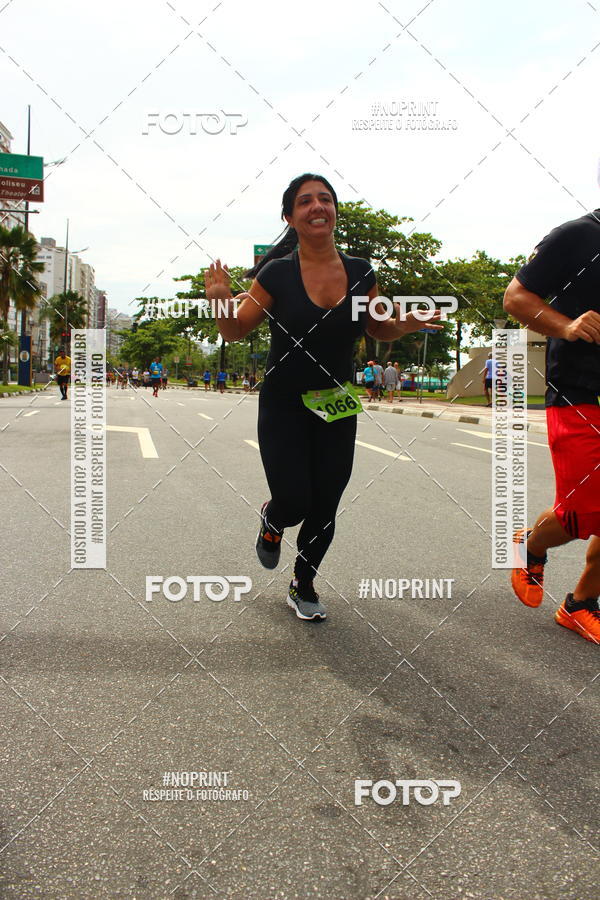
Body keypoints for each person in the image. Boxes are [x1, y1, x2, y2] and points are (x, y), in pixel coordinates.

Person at [206, 172, 443, 621]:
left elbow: (377, 327)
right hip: (283, 403)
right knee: (294, 498)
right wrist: (220, 300)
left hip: (335, 401)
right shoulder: (275, 274)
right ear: (290, 217)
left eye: (325, 199)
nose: (317, 206)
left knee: (327, 501)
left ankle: (304, 582)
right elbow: (235, 329)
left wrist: (405, 323)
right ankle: (274, 520)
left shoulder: (361, 273)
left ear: (334, 211)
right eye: (305, 202)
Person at [504, 204, 600, 644]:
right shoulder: (579, 235)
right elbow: (516, 298)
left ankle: (581, 605)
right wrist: (567, 325)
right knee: (582, 513)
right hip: (581, 394)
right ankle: (531, 545)